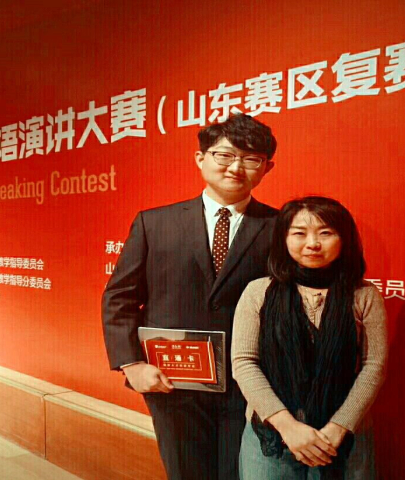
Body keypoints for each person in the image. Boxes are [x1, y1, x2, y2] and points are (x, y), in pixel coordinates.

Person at [102, 113, 279, 480]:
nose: (236, 168)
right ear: (201, 158)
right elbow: (119, 297)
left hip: (251, 382)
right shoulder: (154, 223)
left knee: (240, 473)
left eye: (251, 159)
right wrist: (131, 364)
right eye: (224, 155)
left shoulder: (280, 227)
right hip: (173, 380)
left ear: (267, 167)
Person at [232, 196, 388, 479]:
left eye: (325, 233)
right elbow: (244, 362)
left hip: (343, 435)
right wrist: (287, 426)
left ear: (344, 239)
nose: (313, 243)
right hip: (272, 433)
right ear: (283, 239)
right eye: (299, 233)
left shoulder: (364, 296)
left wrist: (338, 428)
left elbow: (373, 366)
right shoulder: (258, 292)